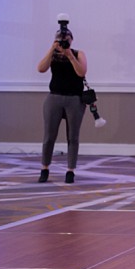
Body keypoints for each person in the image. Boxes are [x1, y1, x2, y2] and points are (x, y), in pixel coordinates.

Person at [36, 22, 89, 184]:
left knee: (73, 137)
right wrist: (52, 49)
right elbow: (40, 68)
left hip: (74, 99)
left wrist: (69, 56)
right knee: (49, 136)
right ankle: (45, 168)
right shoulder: (52, 55)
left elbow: (81, 73)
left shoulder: (78, 53)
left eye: (66, 39)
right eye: (60, 39)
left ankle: (70, 171)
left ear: (72, 40)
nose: (64, 41)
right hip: (54, 98)